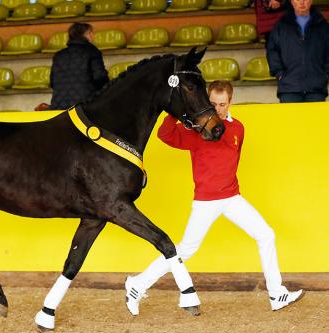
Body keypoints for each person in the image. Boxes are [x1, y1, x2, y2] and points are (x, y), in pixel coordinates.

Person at [124, 80, 304, 316]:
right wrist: (175, 113)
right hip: (206, 201)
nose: (218, 108)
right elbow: (164, 134)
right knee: (186, 250)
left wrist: (229, 189)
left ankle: (276, 293)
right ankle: (137, 284)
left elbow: (234, 161)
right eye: (213, 103)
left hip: (232, 198)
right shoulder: (196, 129)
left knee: (266, 234)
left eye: (222, 104)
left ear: (230, 102)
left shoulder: (238, 128)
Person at [266, 0, 329, 103]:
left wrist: (325, 73)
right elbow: (272, 50)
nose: (302, 2)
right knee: (289, 119)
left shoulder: (322, 25)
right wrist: (279, 73)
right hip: (289, 88)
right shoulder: (281, 25)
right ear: (291, 1)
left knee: (314, 120)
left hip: (316, 88)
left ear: (311, 1)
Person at [48, 22, 109, 110]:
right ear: (86, 34)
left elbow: (52, 81)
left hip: (59, 105)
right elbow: (100, 77)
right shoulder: (92, 51)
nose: (93, 36)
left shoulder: (59, 55)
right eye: (91, 33)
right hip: (85, 105)